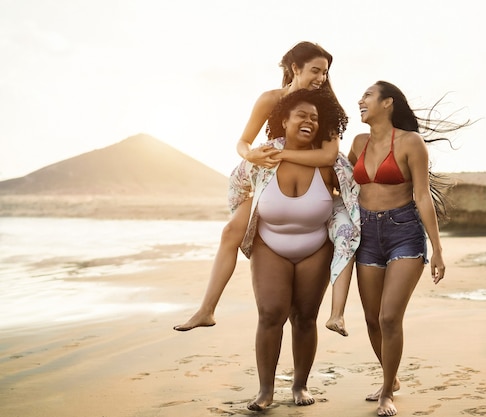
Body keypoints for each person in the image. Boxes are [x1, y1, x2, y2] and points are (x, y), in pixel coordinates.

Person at [173, 41, 354, 336]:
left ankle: (336, 313)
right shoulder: (269, 100)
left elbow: (327, 156)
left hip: (315, 184)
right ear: (295, 68)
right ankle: (206, 310)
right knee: (231, 231)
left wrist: (280, 154)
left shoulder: (327, 107)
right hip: (272, 181)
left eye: (325, 73)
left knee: (343, 238)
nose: (321, 79)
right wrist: (251, 155)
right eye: (315, 71)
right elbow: (243, 142)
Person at [229, 88, 359, 410]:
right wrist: (239, 223)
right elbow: (237, 185)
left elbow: (353, 193)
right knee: (271, 314)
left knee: (304, 318)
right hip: (270, 246)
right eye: (301, 115)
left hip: (314, 247)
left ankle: (300, 386)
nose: (309, 121)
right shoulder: (264, 158)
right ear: (284, 120)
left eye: (315, 118)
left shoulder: (329, 163)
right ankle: (265, 391)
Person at [348, 81, 469, 416]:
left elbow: (421, 195)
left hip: (404, 232)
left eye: (368, 95)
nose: (361, 100)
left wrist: (438, 250)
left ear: (388, 103)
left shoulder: (410, 142)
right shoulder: (357, 143)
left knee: (389, 317)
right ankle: (393, 378)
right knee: (372, 319)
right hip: (366, 234)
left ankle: (387, 392)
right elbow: (340, 187)